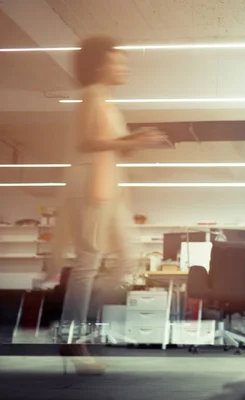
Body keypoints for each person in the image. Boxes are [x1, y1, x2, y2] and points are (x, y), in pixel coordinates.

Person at [52, 36, 165, 375]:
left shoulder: (108, 103)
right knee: (88, 261)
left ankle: (76, 329)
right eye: (118, 61)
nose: (123, 67)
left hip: (106, 185)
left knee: (128, 257)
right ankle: (73, 337)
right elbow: (87, 142)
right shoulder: (91, 95)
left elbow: (113, 148)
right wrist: (129, 140)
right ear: (100, 64)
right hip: (90, 184)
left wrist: (134, 141)